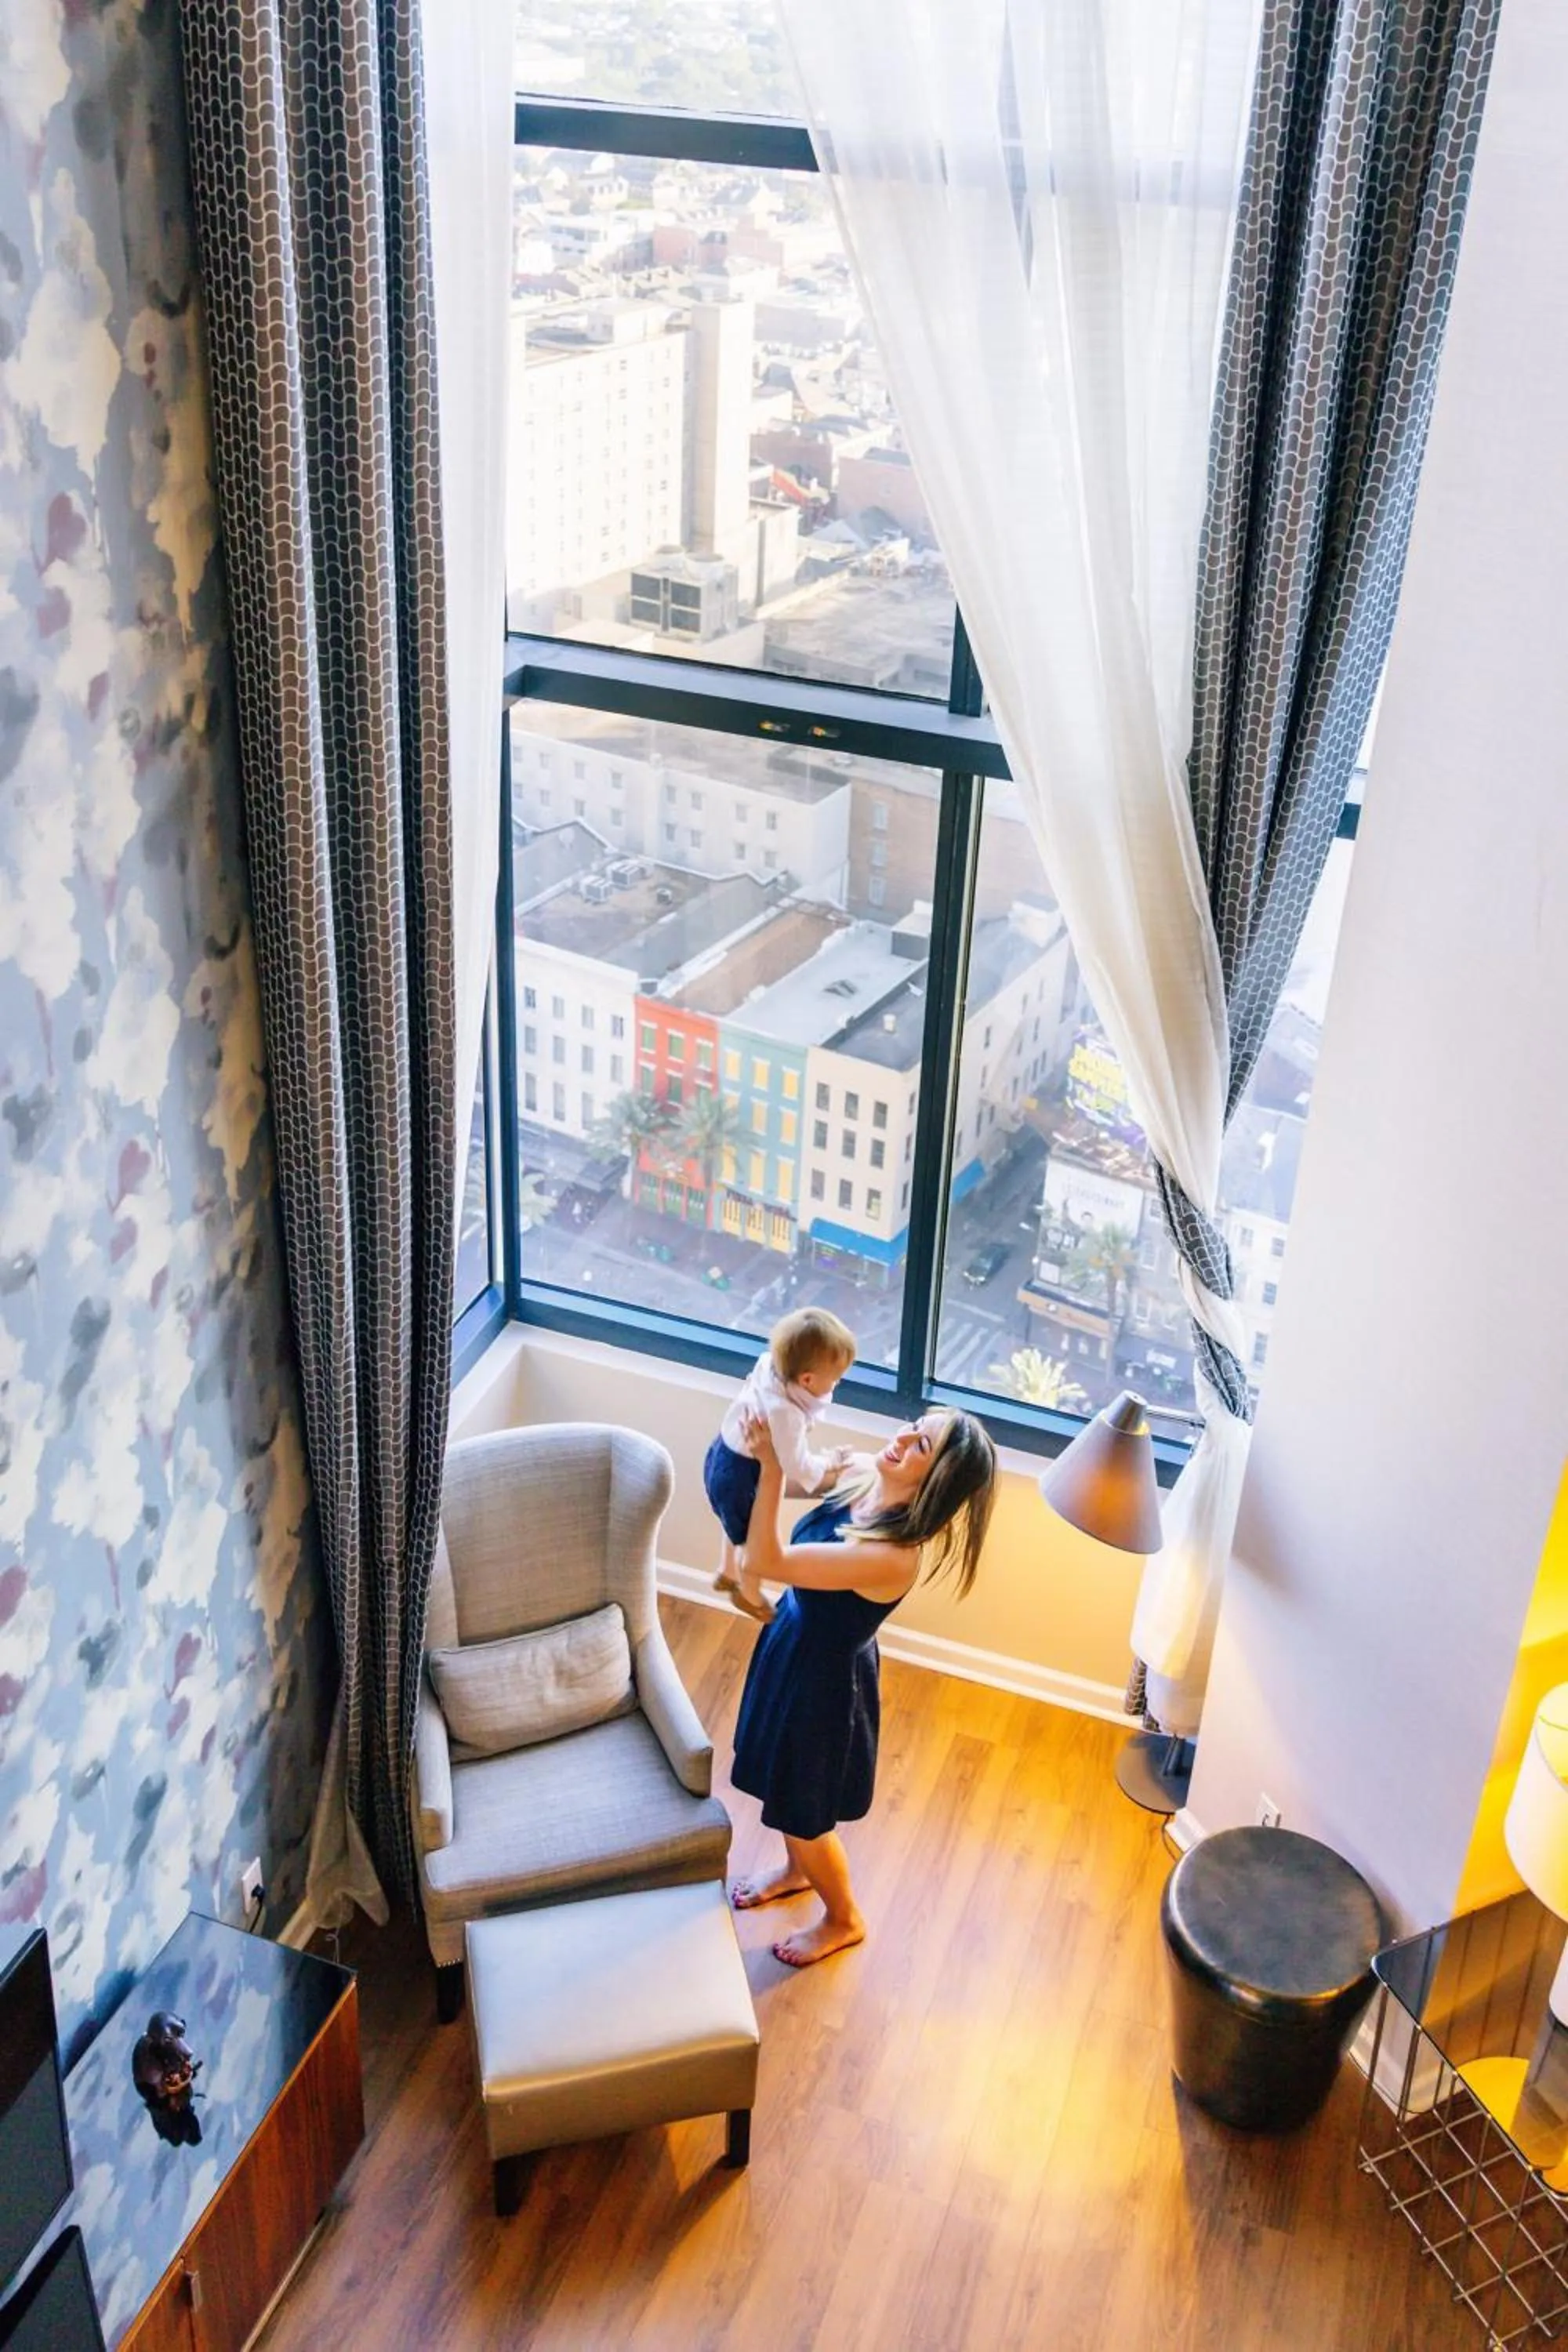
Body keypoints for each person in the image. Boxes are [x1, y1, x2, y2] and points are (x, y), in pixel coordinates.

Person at [728, 1405, 997, 1968]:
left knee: (806, 1814)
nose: (901, 1437)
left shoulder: (890, 1557)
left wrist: (772, 1469)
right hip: (794, 1643)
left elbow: (768, 1558)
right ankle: (795, 1871)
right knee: (787, 1797)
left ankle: (843, 1919)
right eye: (914, 1423)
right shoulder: (867, 1479)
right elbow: (804, 1475)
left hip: (821, 1685)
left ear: (936, 1480)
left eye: (920, 1444)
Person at [702, 1308, 857, 1624]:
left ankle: (726, 1572)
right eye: (836, 1379)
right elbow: (797, 1465)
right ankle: (748, 1592)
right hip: (741, 1474)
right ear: (807, 1379)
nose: (837, 1384)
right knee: (752, 1538)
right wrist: (829, 1463)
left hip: (721, 1452)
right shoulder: (786, 1413)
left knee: (733, 1522)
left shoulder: (769, 1366)